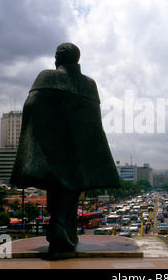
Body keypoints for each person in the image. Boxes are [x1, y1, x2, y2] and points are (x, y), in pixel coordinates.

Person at [10, 43, 121, 254]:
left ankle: (59, 225)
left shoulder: (47, 76)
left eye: (55, 56)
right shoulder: (89, 83)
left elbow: (31, 105)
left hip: (52, 144)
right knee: (74, 181)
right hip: (79, 145)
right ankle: (59, 225)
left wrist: (43, 132)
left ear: (59, 58)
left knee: (62, 183)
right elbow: (93, 120)